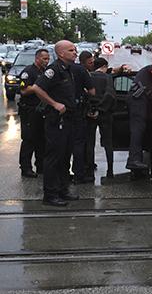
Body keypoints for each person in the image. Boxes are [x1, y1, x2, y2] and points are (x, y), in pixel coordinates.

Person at [32, 40, 81, 206]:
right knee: (54, 157)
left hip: (68, 120)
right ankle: (50, 194)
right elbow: (37, 88)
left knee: (65, 156)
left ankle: (62, 189)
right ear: (61, 53)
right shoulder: (54, 70)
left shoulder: (68, 69)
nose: (75, 52)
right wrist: (54, 104)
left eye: (75, 49)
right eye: (71, 50)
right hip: (56, 120)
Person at [17, 48, 51, 178]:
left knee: (42, 139)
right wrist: (38, 88)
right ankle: (25, 168)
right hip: (29, 111)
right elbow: (23, 90)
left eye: (48, 59)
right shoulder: (28, 72)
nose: (46, 61)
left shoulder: (45, 72)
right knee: (29, 139)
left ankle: (41, 166)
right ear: (37, 58)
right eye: (44, 59)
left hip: (42, 111)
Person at [86, 58, 117, 178]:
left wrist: (91, 109)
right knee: (108, 142)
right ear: (104, 66)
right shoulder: (107, 78)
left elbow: (85, 93)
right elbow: (110, 94)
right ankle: (110, 170)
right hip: (105, 114)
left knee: (90, 142)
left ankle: (89, 169)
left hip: (90, 113)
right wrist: (100, 109)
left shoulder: (88, 76)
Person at [71, 51, 96, 184]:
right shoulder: (82, 71)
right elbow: (92, 91)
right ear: (84, 61)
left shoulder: (68, 68)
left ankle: (65, 173)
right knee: (79, 144)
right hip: (78, 113)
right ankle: (79, 174)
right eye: (90, 62)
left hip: (65, 112)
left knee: (66, 144)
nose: (92, 64)